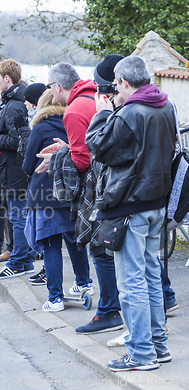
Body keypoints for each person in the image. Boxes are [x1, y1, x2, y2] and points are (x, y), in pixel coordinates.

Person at [86, 56, 175, 372]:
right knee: (151, 276)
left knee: (132, 282)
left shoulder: (128, 113)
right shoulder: (166, 106)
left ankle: (140, 354)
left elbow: (97, 147)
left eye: (115, 86)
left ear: (123, 83)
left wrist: (102, 113)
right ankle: (158, 347)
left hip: (129, 208)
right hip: (155, 204)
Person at [38, 62, 122, 335]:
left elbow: (83, 159)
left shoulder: (72, 111)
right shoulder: (93, 98)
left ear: (56, 87)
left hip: (97, 190)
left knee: (100, 249)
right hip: (117, 183)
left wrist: (58, 157)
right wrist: (68, 148)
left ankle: (109, 310)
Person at [23, 89, 92, 311]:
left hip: (45, 195)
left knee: (51, 244)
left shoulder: (40, 127)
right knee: (75, 240)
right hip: (72, 191)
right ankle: (84, 284)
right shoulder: (74, 122)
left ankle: (55, 298)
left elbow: (27, 165)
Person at [0, 59, 35, 279]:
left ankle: (17, 262)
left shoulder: (14, 105)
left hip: (15, 172)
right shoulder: (11, 101)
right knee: (17, 216)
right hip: (9, 171)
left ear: (7, 79)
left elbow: (20, 142)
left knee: (18, 217)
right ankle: (22, 262)